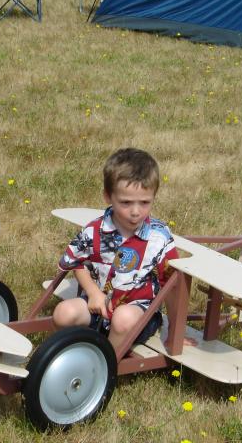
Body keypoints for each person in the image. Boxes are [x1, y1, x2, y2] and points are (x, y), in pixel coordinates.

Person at [52, 147, 187, 351]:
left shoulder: (158, 237)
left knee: (123, 319)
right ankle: (64, 355)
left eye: (144, 202)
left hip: (137, 314)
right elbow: (76, 261)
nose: (135, 212)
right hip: (99, 303)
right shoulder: (95, 230)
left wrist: (176, 333)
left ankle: (107, 365)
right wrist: (93, 292)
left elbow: (172, 285)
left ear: (154, 196)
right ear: (108, 196)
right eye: (125, 202)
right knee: (63, 313)